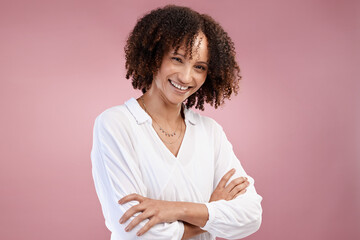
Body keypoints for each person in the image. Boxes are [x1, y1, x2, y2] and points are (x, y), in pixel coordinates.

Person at [91, 5, 262, 240]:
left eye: (199, 67)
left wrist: (174, 209)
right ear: (154, 57)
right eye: (178, 59)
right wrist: (210, 211)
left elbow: (251, 215)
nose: (186, 77)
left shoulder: (210, 133)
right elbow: (134, 229)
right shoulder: (116, 124)